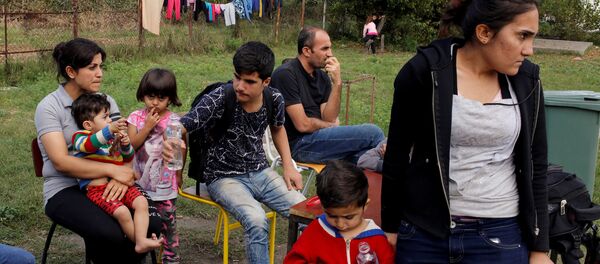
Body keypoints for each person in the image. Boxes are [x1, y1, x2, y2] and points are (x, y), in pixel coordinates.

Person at [381, 0, 552, 263]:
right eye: (522, 36)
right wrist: (390, 227)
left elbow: (536, 164)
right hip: (425, 234)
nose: (529, 50)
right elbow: (397, 154)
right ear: (484, 33)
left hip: (500, 236)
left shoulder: (527, 80)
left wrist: (540, 249)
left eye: (532, 37)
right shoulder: (426, 72)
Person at [163, 41, 306, 264]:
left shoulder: (274, 98)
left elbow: (278, 129)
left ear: (266, 82)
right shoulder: (220, 97)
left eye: (249, 81)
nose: (240, 85)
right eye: (237, 77)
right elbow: (179, 125)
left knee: (305, 212)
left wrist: (289, 166)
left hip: (260, 172)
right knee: (256, 219)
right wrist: (171, 144)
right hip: (222, 177)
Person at [35, 38, 161, 263]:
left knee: (152, 222)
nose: (100, 73)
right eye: (92, 67)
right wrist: (113, 172)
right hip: (65, 188)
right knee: (109, 232)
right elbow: (61, 162)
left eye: (100, 66)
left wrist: (122, 176)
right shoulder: (49, 107)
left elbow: (123, 145)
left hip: (110, 182)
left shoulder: (106, 101)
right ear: (71, 71)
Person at [270, 26, 385, 165]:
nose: (330, 54)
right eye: (325, 49)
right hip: (298, 145)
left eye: (330, 48)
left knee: (368, 157)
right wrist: (330, 126)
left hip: (320, 139)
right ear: (306, 51)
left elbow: (329, 117)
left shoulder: (322, 76)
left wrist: (337, 82)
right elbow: (303, 125)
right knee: (373, 132)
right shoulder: (286, 74)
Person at [71, 93, 162, 253]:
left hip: (120, 184)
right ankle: (138, 242)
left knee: (141, 202)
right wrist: (109, 131)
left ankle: (141, 241)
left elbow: (126, 158)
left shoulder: (111, 140)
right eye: (105, 117)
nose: (109, 121)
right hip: (98, 191)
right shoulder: (80, 138)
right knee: (123, 213)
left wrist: (125, 146)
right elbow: (88, 146)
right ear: (87, 124)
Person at [284, 160, 394, 263]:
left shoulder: (377, 239)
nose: (340, 224)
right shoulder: (317, 230)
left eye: (348, 217)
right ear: (322, 207)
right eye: (332, 216)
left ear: (365, 206)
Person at [127, 68, 184, 263]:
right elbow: (132, 144)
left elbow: (179, 150)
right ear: (143, 94)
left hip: (165, 187)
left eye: (161, 98)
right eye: (151, 96)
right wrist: (148, 127)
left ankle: (171, 260)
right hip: (139, 189)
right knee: (143, 227)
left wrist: (179, 174)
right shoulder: (135, 117)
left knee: (168, 227)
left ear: (170, 98)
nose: (155, 102)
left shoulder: (174, 120)